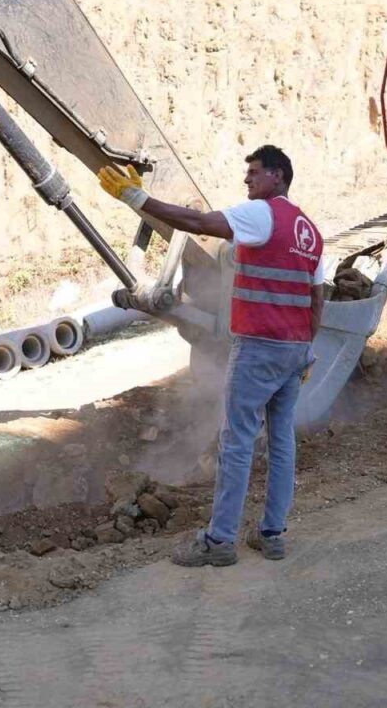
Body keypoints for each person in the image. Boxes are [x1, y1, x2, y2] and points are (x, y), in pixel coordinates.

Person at [99, 145, 324, 567]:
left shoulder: (262, 214)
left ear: (277, 175)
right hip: (294, 351)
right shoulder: (309, 231)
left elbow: (199, 222)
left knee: (236, 441)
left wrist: (138, 200)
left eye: (254, 173)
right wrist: (307, 348)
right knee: (281, 441)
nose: (247, 180)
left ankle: (220, 542)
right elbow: (317, 298)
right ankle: (273, 535)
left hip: (258, 347)